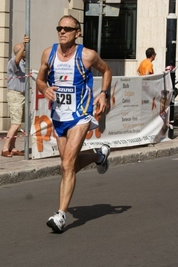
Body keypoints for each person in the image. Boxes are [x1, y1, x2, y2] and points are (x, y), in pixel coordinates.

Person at [36, 15, 112, 233]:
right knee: (68, 165)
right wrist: (44, 89)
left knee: (67, 165)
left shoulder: (87, 55)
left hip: (81, 115)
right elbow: (41, 79)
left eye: (67, 29)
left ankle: (60, 215)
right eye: (59, 27)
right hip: (59, 117)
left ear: (77, 33)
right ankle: (99, 155)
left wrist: (104, 94)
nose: (62, 31)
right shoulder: (48, 54)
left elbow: (106, 70)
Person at [1, 35, 30, 157]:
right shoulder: (13, 62)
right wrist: (23, 44)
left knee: (18, 123)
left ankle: (12, 147)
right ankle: (5, 148)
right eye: (24, 50)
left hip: (22, 95)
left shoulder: (24, 63)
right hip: (15, 95)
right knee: (16, 123)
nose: (26, 51)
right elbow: (16, 60)